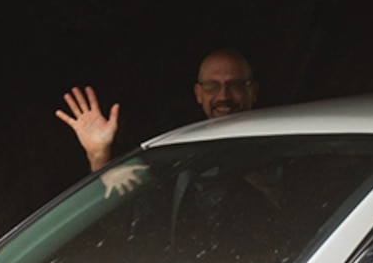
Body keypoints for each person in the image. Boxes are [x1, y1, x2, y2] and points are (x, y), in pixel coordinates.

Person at [54, 47, 259, 176]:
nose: (224, 96)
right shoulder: (180, 155)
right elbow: (129, 223)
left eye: (235, 85)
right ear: (198, 94)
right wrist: (99, 157)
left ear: (253, 91)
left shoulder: (282, 149)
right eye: (212, 86)